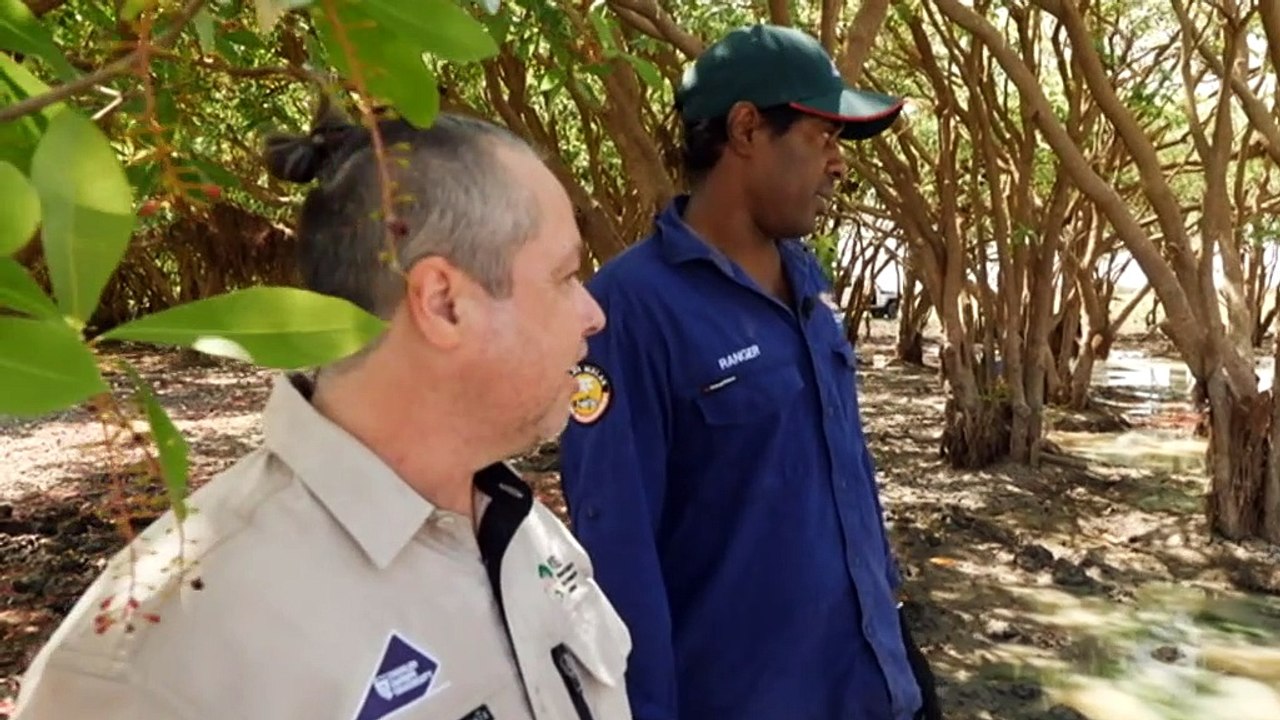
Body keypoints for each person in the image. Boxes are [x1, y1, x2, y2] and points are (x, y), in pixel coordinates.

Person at [13, 106, 633, 720]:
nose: (593, 314)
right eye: (565, 277)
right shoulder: (169, 655)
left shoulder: (519, 527)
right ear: (444, 302)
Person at [558, 24, 942, 720]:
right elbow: (618, 555)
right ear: (745, 129)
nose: (839, 165)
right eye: (823, 137)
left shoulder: (807, 280)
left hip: (870, 683)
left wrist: (899, 655)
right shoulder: (628, 313)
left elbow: (843, 478)